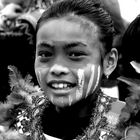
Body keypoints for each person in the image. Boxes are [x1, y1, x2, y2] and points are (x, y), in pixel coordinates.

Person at [0, 0, 140, 140]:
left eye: (75, 54)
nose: (57, 68)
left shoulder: (129, 124)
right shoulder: (15, 117)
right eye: (45, 54)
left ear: (109, 62)